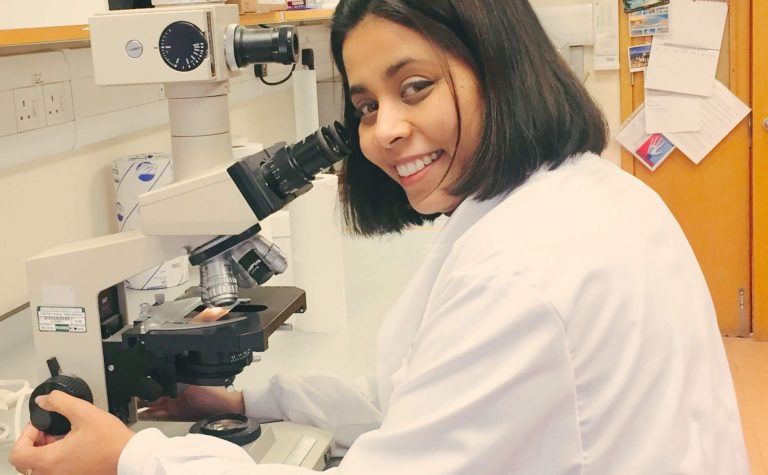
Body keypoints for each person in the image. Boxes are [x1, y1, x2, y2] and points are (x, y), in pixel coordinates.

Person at [10, 0, 749, 473]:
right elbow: (411, 395)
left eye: (415, 86)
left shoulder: (523, 272)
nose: (384, 129)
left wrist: (133, 457)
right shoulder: (581, 194)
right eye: (364, 104)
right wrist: (245, 403)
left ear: (501, 68)